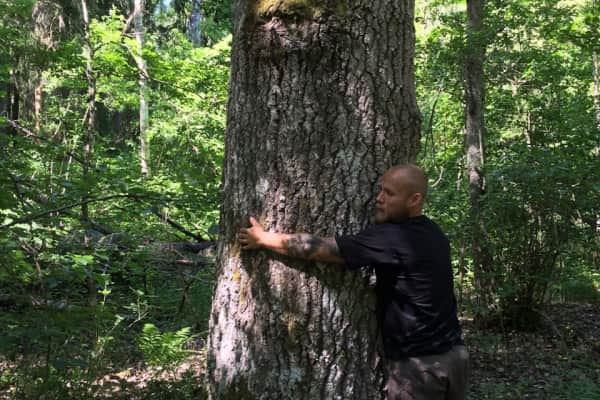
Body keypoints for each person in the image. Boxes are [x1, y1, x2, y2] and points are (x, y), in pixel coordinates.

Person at [238, 164, 469, 400]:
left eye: (389, 193)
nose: (379, 198)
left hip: (421, 368)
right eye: (380, 190)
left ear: (414, 200)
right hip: (455, 358)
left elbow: (320, 249)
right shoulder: (433, 232)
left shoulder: (393, 238)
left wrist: (263, 238)